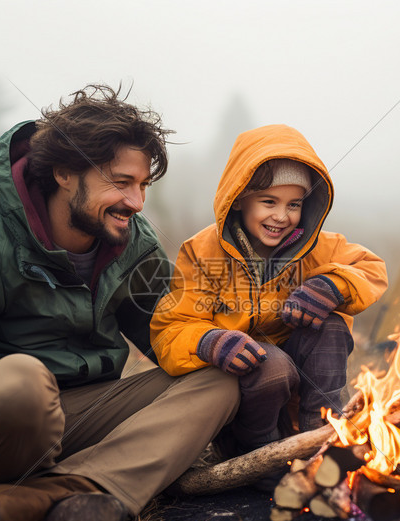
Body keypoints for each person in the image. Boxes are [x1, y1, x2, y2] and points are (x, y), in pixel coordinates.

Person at [0, 85, 240, 521]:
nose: (137, 202)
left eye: (143, 186)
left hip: (75, 415)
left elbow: (169, 327)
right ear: (63, 173)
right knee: (21, 380)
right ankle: (55, 481)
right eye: (121, 183)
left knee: (218, 378)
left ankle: (59, 494)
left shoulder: (131, 243)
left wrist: (229, 337)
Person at [150, 124, 387, 461]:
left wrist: (332, 285)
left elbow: (371, 268)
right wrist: (211, 341)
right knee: (271, 363)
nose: (281, 216)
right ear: (239, 200)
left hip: (302, 390)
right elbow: (170, 329)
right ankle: (258, 455)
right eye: (268, 202)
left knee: (331, 326)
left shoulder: (319, 246)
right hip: (245, 399)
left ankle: (324, 439)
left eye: (294, 204)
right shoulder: (202, 252)